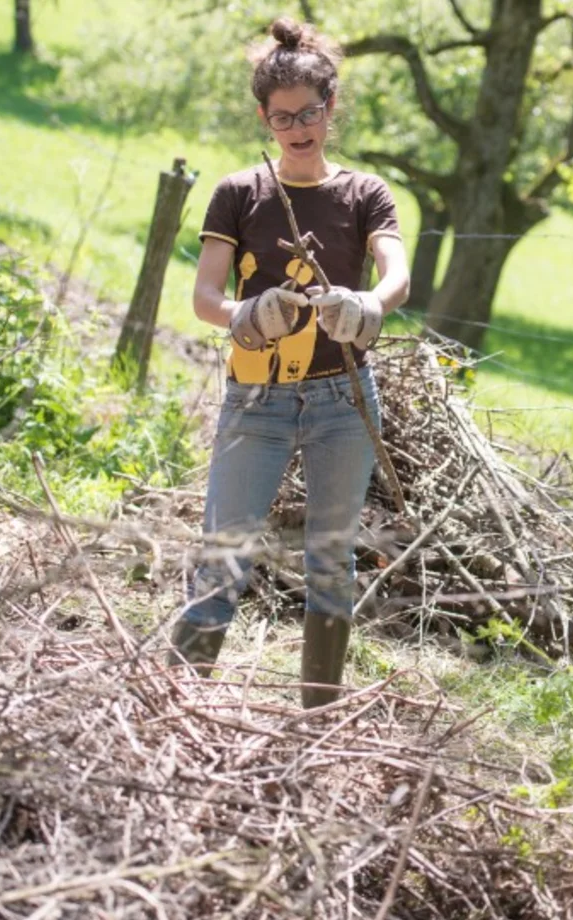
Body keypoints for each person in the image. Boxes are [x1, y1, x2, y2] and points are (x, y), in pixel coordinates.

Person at [168, 18, 410, 708]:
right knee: (224, 553)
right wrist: (244, 316)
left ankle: (317, 716)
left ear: (332, 107)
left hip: (343, 401)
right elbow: (205, 296)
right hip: (257, 399)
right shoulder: (238, 193)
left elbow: (396, 274)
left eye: (309, 113)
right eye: (282, 117)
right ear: (263, 118)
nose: (298, 128)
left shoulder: (366, 194)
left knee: (330, 561)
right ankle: (175, 710)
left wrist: (369, 304)